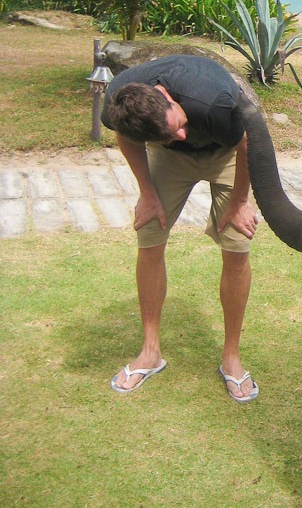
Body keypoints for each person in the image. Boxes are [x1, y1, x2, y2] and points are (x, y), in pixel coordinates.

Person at [101, 54, 260, 402]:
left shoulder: (211, 99)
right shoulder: (119, 101)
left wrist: (238, 203)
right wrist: (147, 193)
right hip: (171, 158)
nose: (183, 134)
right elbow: (127, 139)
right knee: (149, 234)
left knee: (237, 243)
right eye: (173, 133)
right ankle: (150, 352)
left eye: (179, 124)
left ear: (167, 97)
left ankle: (231, 357)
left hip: (226, 153)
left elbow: (246, 144)